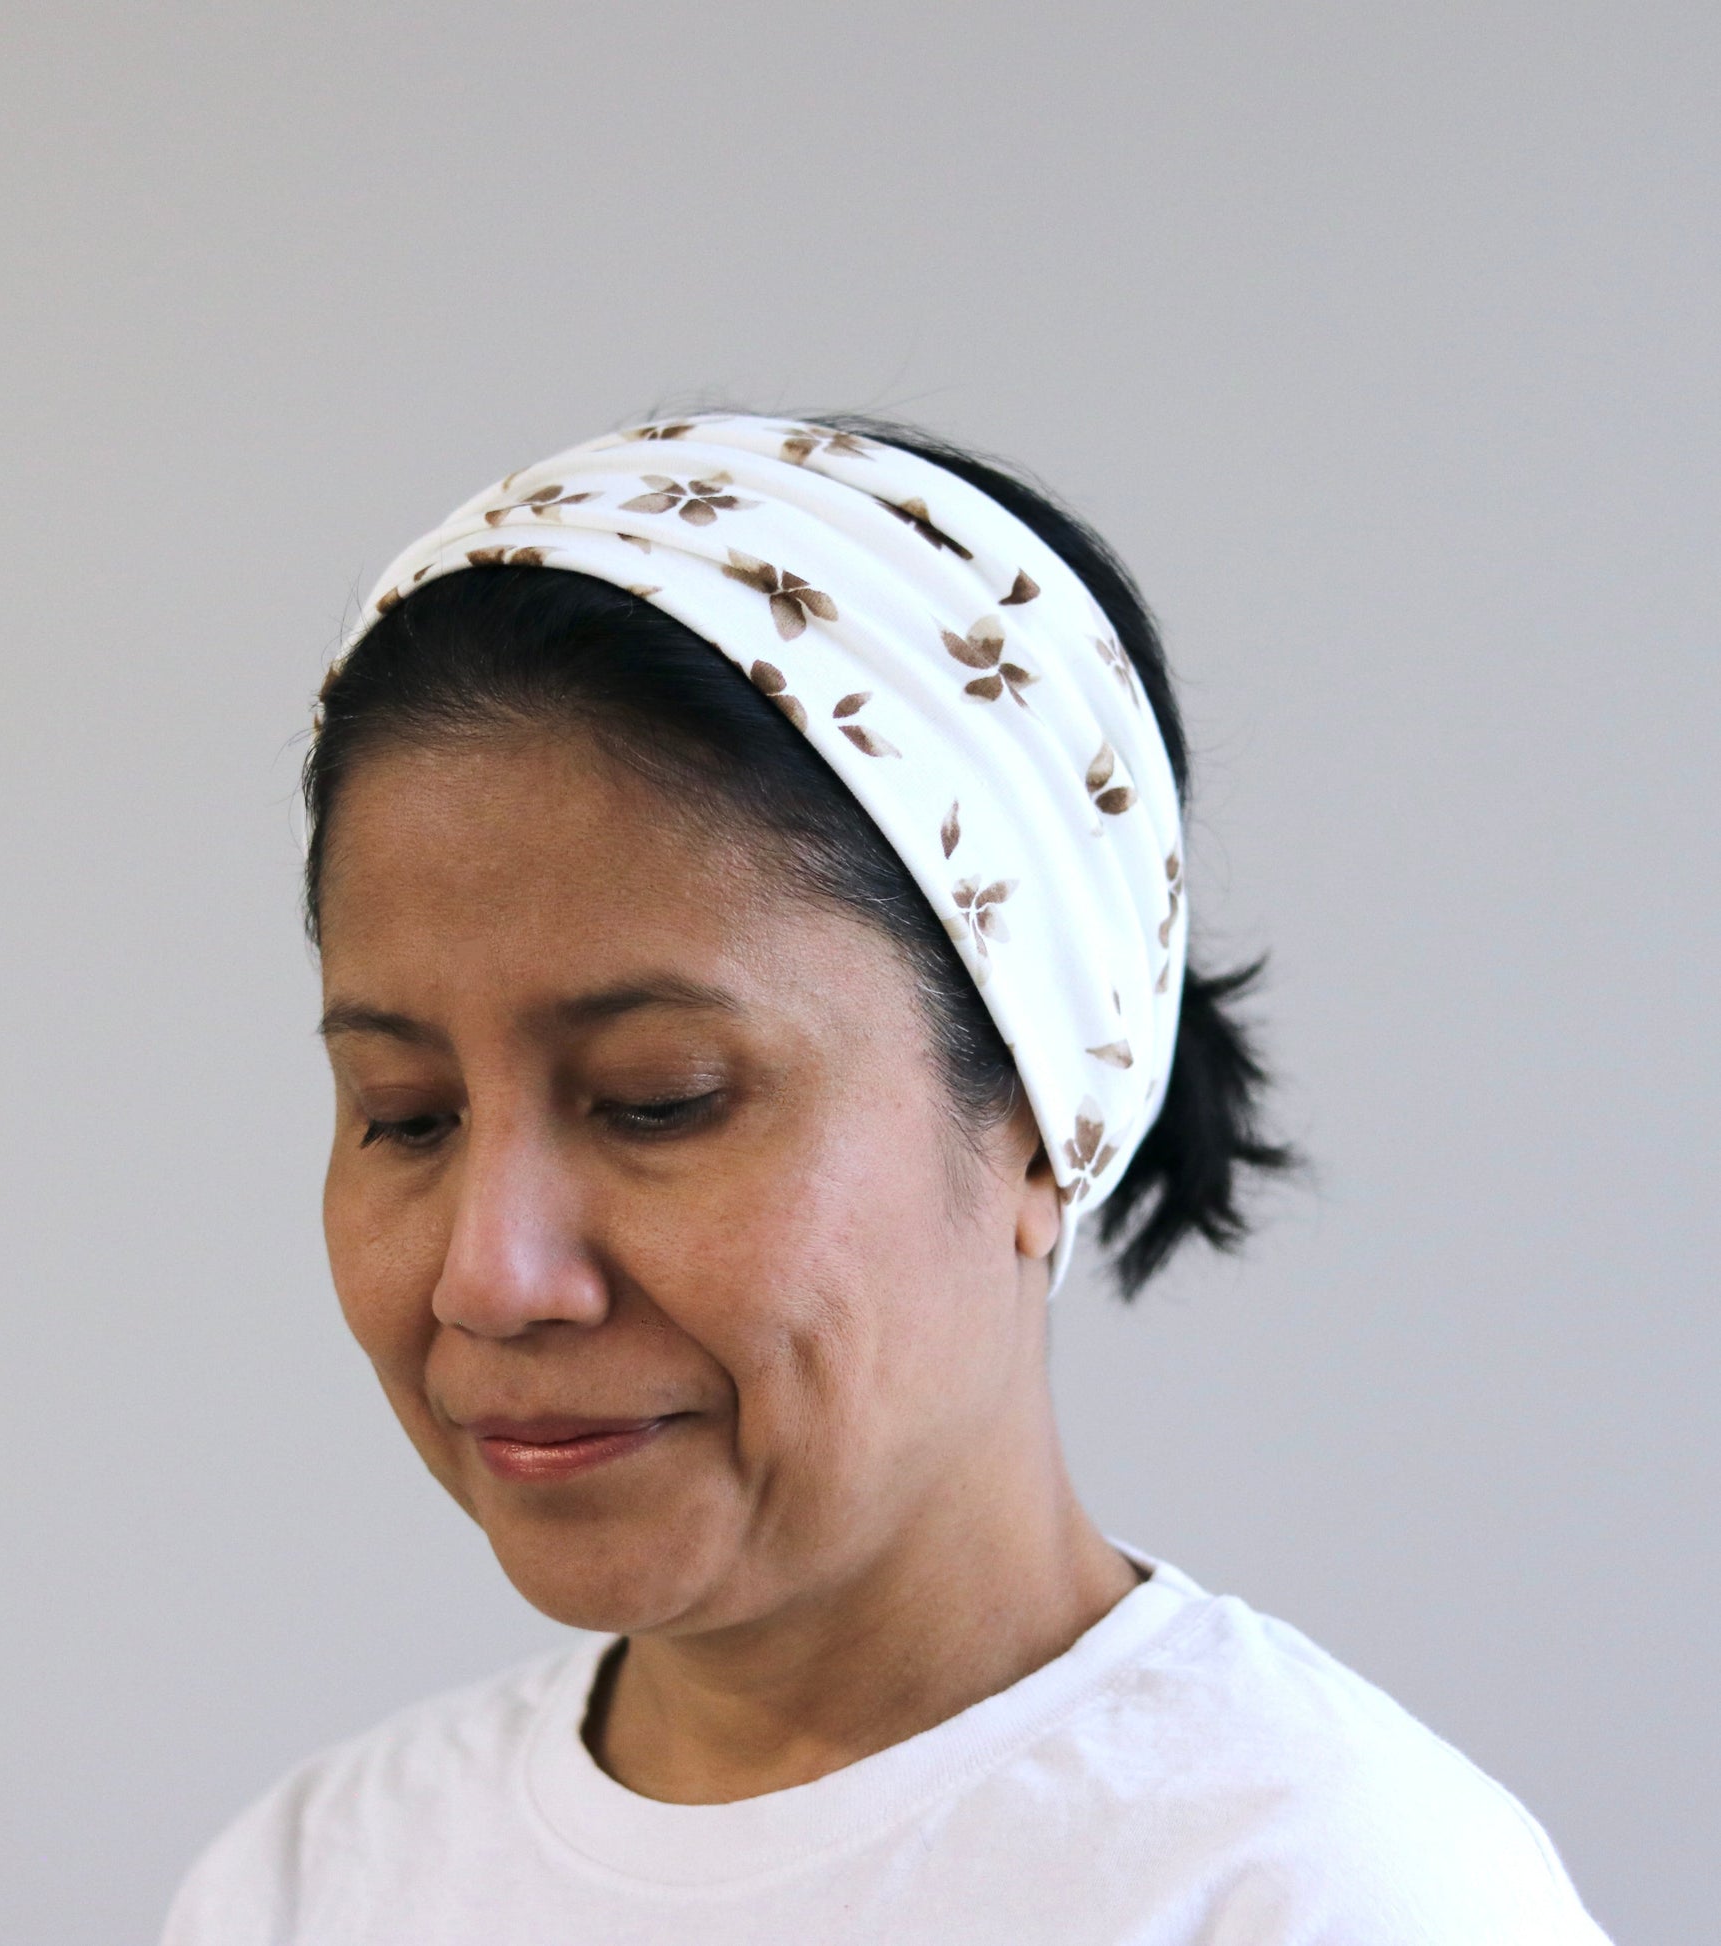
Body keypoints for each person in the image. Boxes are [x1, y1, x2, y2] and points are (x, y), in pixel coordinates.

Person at [162, 413, 1610, 1942]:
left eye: (660, 1100)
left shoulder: (1322, 1892)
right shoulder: (310, 1883)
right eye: (406, 1113)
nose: (488, 1275)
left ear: (1041, 1116)